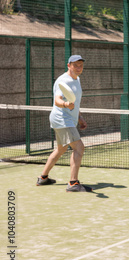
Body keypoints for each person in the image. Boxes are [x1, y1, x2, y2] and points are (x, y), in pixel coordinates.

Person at [36, 55, 92, 192]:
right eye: (75, 65)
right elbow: (57, 101)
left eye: (81, 65)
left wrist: (80, 118)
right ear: (69, 65)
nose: (79, 68)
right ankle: (73, 183)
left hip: (68, 119)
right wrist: (66, 104)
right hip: (62, 118)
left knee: (61, 149)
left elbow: (75, 102)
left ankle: (43, 178)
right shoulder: (63, 80)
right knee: (79, 148)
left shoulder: (77, 79)